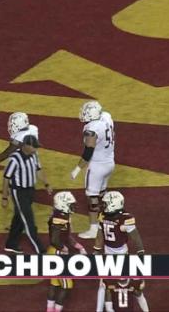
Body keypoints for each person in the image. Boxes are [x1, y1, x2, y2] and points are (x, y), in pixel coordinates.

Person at [94, 191, 148, 312]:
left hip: (121, 253)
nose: (103, 206)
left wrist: (140, 251)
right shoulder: (103, 215)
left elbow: (135, 236)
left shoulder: (125, 218)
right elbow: (100, 233)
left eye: (106, 203)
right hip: (108, 252)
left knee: (128, 283)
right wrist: (97, 249)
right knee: (103, 283)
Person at [71, 101, 116, 239]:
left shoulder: (92, 129)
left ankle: (94, 229)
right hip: (110, 162)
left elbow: (88, 151)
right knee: (102, 194)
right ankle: (107, 222)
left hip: (97, 166)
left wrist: (77, 169)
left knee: (93, 198)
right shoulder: (106, 117)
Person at [2, 135, 52, 254]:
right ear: (26, 146)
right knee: (28, 220)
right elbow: (6, 178)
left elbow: (38, 170)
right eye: (34, 147)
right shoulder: (14, 159)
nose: (35, 149)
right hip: (19, 192)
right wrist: (4, 197)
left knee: (19, 217)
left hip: (30, 190)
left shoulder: (34, 155)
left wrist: (46, 184)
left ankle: (11, 243)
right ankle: (41, 250)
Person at [46, 191, 87, 312]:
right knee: (67, 284)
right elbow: (54, 240)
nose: (73, 206)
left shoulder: (62, 216)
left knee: (55, 283)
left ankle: (49, 309)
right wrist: (65, 249)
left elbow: (66, 236)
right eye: (70, 204)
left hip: (54, 252)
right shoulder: (59, 219)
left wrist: (78, 246)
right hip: (57, 253)